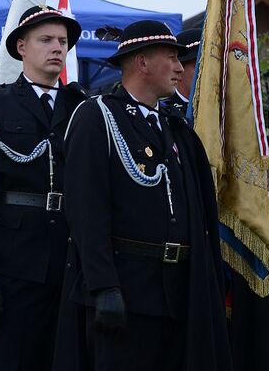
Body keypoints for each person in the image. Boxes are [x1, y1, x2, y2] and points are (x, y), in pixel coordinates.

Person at [61, 19, 231, 371]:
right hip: (127, 289)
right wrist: (103, 286)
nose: (177, 68)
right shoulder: (97, 116)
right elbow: (86, 209)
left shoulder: (174, 126)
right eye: (170, 57)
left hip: (177, 291)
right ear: (142, 63)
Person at [0, 5, 86, 371]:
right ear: (21, 48)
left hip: (66, 258)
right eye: (45, 40)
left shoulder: (79, 106)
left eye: (63, 42)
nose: (57, 48)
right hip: (12, 259)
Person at [163, 28, 200, 118]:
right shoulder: (166, 113)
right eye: (198, 66)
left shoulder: (226, 108)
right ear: (179, 70)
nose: (207, 74)